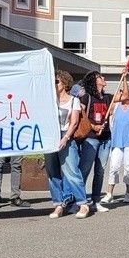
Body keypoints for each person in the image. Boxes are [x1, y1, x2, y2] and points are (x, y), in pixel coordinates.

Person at [47, 71, 83, 219]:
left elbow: (74, 122)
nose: (55, 84)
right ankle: (58, 204)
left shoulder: (73, 100)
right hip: (50, 137)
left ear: (65, 83)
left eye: (57, 82)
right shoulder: (49, 100)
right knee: (52, 172)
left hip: (65, 136)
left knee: (71, 171)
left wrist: (66, 137)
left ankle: (82, 203)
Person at [81, 71, 114, 212]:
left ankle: (95, 201)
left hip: (105, 138)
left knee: (100, 171)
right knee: (84, 170)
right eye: (100, 77)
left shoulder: (107, 97)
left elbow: (125, 95)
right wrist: (93, 126)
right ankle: (79, 200)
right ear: (94, 81)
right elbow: (80, 115)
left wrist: (124, 77)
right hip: (90, 138)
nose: (104, 78)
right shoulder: (87, 97)